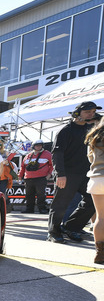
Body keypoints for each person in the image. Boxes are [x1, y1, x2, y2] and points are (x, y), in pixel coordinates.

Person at [47, 101, 100, 243]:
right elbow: (57, 153)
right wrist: (60, 174)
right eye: (88, 112)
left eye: (93, 112)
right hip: (67, 174)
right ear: (77, 113)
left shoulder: (91, 128)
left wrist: (96, 118)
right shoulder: (66, 130)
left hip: (86, 174)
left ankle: (71, 227)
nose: (91, 114)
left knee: (93, 200)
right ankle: (53, 232)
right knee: (60, 204)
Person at [85, 117, 104, 264]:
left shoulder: (94, 137)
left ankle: (100, 253)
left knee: (100, 217)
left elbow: (90, 159)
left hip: (96, 178)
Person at [18, 140, 53, 213]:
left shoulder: (47, 154)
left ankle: (42, 208)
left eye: (40, 145)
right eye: (37, 145)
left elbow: (52, 165)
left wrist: (49, 175)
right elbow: (23, 167)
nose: (38, 147)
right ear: (33, 146)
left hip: (41, 178)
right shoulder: (28, 155)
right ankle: (29, 209)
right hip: (28, 178)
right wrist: (20, 176)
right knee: (29, 195)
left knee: (41, 194)